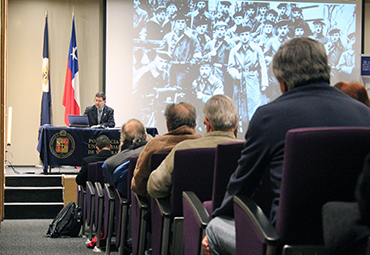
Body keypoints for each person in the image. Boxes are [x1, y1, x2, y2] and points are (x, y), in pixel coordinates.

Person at [202, 37, 370, 255]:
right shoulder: (365, 115)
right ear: (326, 70)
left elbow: (243, 185)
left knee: (215, 229)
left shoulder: (268, 116)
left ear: (282, 81)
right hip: (353, 241)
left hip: (283, 243)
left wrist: (217, 216)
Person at [147, 94, 239, 198]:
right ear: (236, 122)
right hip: (238, 213)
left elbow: (155, 187)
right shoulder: (248, 151)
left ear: (207, 123)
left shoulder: (183, 149)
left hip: (187, 213)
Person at [131, 102, 201, 198]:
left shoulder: (153, 146)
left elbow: (139, 185)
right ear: (194, 125)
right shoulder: (204, 145)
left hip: (158, 208)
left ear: (167, 125)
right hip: (200, 209)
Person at [102, 119, 148, 198]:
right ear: (146, 136)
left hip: (126, 205)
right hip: (157, 205)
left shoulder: (109, 164)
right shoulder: (156, 152)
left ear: (122, 139)